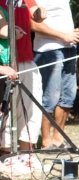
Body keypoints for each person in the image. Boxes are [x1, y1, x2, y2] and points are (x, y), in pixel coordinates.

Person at [30, 0, 79, 150]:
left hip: (69, 48)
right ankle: (46, 141)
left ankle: (58, 138)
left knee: (67, 96)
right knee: (49, 97)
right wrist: (63, 35)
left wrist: (72, 33)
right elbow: (33, 24)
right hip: (49, 50)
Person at [0, 0, 46, 156]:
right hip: (6, 63)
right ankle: (6, 155)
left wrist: (40, 12)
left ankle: (27, 155)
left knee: (31, 108)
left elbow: (35, 14)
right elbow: (3, 30)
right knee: (6, 110)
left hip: (26, 59)